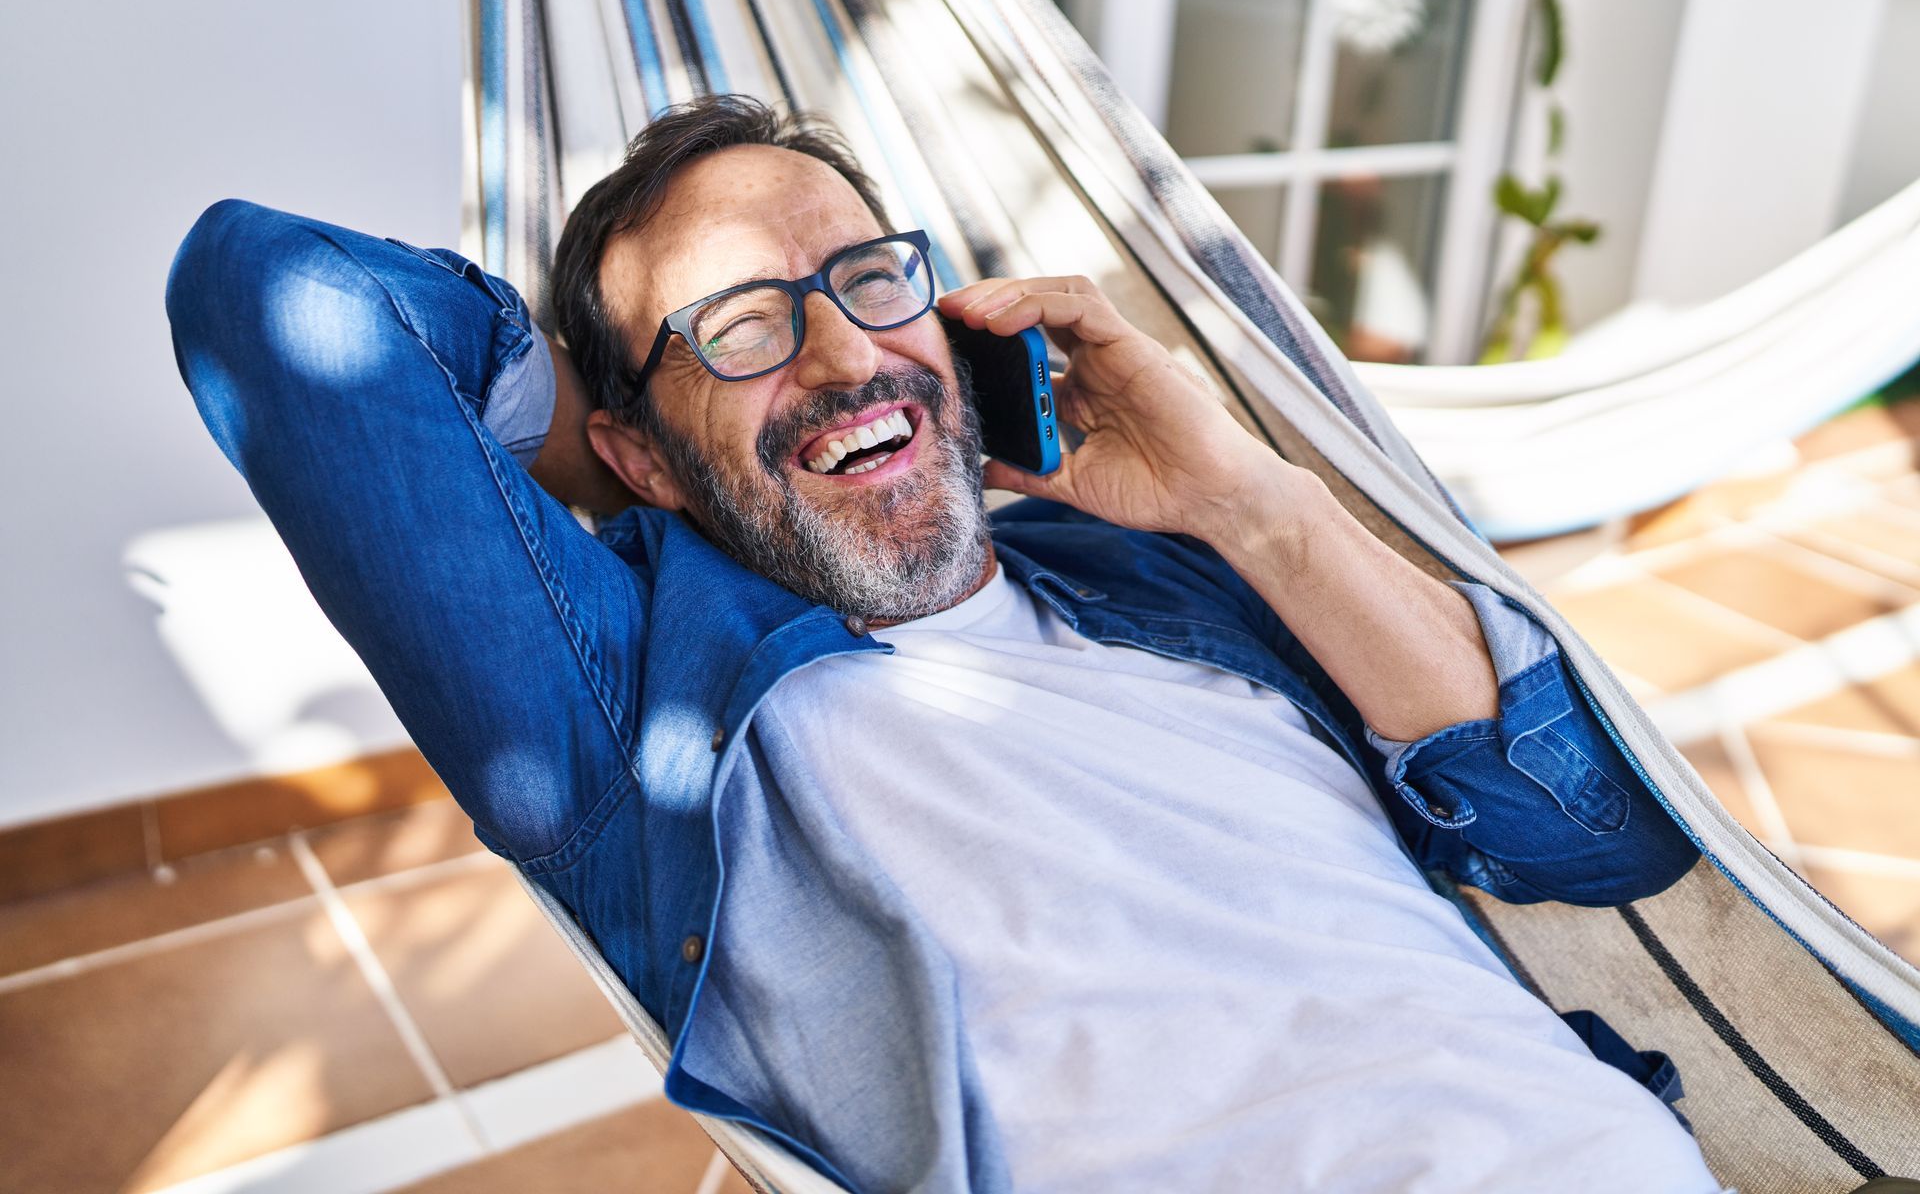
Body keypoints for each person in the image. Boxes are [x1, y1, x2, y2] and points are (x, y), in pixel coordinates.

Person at [166, 95, 1718, 1194]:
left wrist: (1256, 509)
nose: (849, 354)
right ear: (633, 450)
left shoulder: (1177, 576)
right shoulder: (641, 708)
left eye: (868, 279)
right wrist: (617, 444)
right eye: (743, 324)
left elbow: (1594, 835)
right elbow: (276, 293)